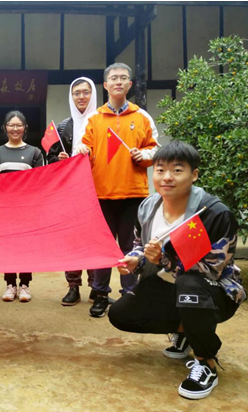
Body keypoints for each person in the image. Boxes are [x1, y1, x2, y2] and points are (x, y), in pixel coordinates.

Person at [108, 141, 246, 400]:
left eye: (177, 170)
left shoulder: (214, 214)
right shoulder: (148, 207)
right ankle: (186, 331)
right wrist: (135, 260)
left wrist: (164, 260)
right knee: (121, 314)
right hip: (167, 285)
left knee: (189, 284)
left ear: (194, 175)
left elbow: (212, 270)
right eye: (160, 170)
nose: (167, 177)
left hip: (214, 291)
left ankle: (206, 362)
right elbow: (140, 246)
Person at [76, 62, 160, 317]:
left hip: (134, 194)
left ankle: (130, 295)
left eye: (123, 78)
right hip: (101, 194)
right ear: (106, 85)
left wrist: (145, 155)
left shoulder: (142, 116)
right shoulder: (94, 119)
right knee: (103, 247)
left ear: (130, 84)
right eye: (114, 78)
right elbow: (83, 150)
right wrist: (82, 150)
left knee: (129, 247)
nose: (119, 82)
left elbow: (156, 150)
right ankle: (100, 294)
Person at [48, 77, 97, 306]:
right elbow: (50, 158)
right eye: (77, 93)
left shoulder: (101, 121)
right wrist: (59, 159)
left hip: (98, 188)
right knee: (72, 239)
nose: (81, 97)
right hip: (71, 190)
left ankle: (97, 287)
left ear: (93, 94)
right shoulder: (64, 126)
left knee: (95, 239)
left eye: (86, 92)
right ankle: (73, 287)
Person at [0, 110, 44, 302]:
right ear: (5, 128)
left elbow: (40, 181)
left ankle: (25, 285)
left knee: (26, 247)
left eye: (19, 125)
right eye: (11, 125)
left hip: (27, 210)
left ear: (25, 128)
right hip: (4, 210)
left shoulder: (35, 152)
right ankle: (10, 284)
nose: (15, 129)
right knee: (8, 247)